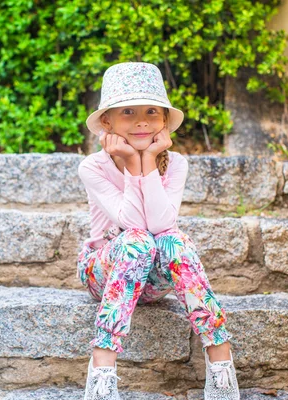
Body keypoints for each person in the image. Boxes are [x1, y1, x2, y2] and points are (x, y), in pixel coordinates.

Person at [77, 62, 240, 400]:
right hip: (104, 268)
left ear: (164, 121)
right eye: (128, 111)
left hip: (153, 275)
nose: (141, 120)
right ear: (106, 121)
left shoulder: (176, 163)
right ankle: (103, 369)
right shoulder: (93, 166)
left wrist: (147, 159)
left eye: (152, 111)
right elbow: (132, 225)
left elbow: (163, 225)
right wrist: (133, 163)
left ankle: (220, 361)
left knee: (174, 241)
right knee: (137, 241)